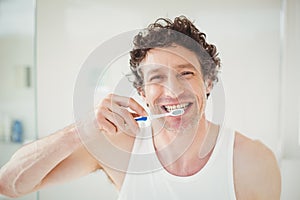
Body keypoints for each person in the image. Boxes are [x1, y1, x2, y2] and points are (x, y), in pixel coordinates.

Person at [0, 16, 281, 199]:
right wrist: (81, 130)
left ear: (208, 82)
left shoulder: (252, 161)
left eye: (186, 73)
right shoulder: (116, 147)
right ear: (141, 91)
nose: (172, 91)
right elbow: (10, 185)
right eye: (157, 78)